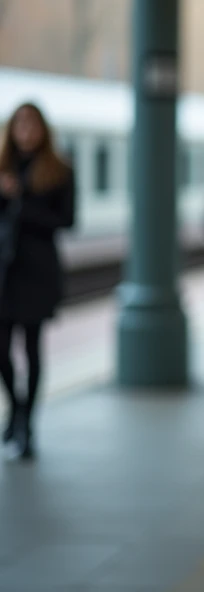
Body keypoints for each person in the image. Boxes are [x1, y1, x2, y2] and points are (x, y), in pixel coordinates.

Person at [0, 103, 76, 461]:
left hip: (37, 272)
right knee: (2, 350)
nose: (26, 131)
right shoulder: (3, 168)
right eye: (20, 124)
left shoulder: (59, 171)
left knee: (32, 349)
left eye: (32, 124)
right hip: (4, 271)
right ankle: (15, 409)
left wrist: (21, 200)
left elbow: (67, 220)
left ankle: (27, 425)